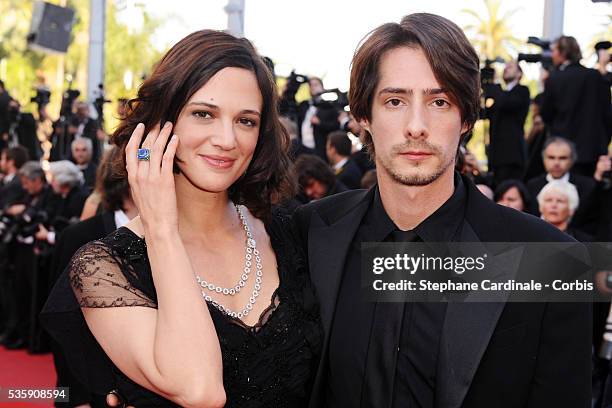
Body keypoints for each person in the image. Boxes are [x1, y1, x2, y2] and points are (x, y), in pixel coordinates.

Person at [293, 13, 589, 408]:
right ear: (363, 115)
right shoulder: (310, 232)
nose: (417, 126)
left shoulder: (553, 261)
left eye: (439, 101)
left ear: (466, 117)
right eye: (395, 101)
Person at [41, 30, 321, 407]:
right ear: (160, 122)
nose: (226, 139)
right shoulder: (104, 268)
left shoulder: (292, 232)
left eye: (246, 121)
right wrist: (160, 229)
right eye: (203, 114)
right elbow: (200, 391)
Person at [540, 35, 612, 177]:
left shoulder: (554, 79)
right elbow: (608, 114)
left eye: (554, 51)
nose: (552, 55)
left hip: (562, 154)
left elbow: (546, 114)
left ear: (563, 52)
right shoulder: (595, 76)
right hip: (593, 151)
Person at [484, 60, 531, 186]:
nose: (505, 69)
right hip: (495, 155)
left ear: (519, 74)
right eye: (505, 67)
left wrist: (495, 84)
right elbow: (483, 114)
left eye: (510, 67)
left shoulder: (522, 91)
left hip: (512, 155)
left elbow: (506, 103)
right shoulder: (499, 94)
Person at [526, 137, 595, 217]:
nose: (556, 163)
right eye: (551, 157)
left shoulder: (586, 186)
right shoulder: (532, 186)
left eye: (562, 158)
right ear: (544, 159)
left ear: (572, 160)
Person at [297, 77, 341, 159]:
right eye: (310, 85)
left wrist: (320, 123)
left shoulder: (330, 105)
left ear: (322, 87)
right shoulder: (305, 105)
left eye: (316, 85)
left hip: (321, 149)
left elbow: (336, 126)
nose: (313, 87)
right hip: (303, 148)